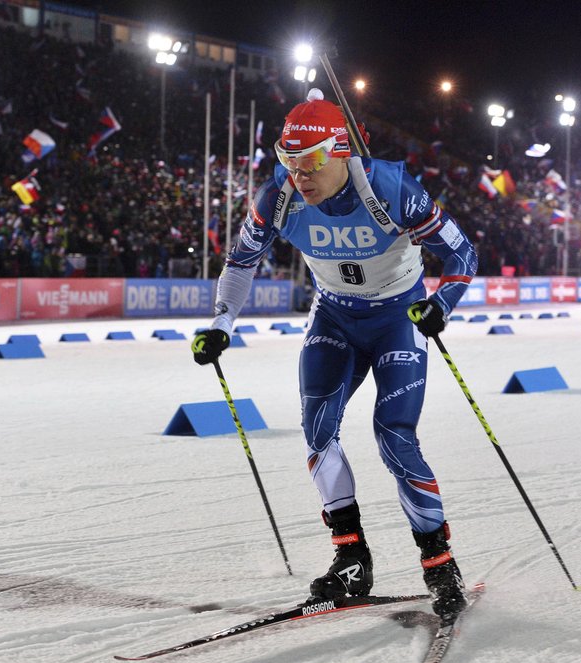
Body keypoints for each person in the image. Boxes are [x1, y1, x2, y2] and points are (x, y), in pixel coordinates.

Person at [190, 90, 478, 621]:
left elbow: (462, 251)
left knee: (394, 436)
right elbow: (240, 261)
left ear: (341, 151)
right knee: (318, 430)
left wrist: (441, 304)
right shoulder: (276, 197)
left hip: (398, 319)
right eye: (288, 161)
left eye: (312, 161)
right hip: (336, 319)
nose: (299, 175)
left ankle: (440, 566)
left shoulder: (389, 188)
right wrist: (221, 324)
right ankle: (351, 559)